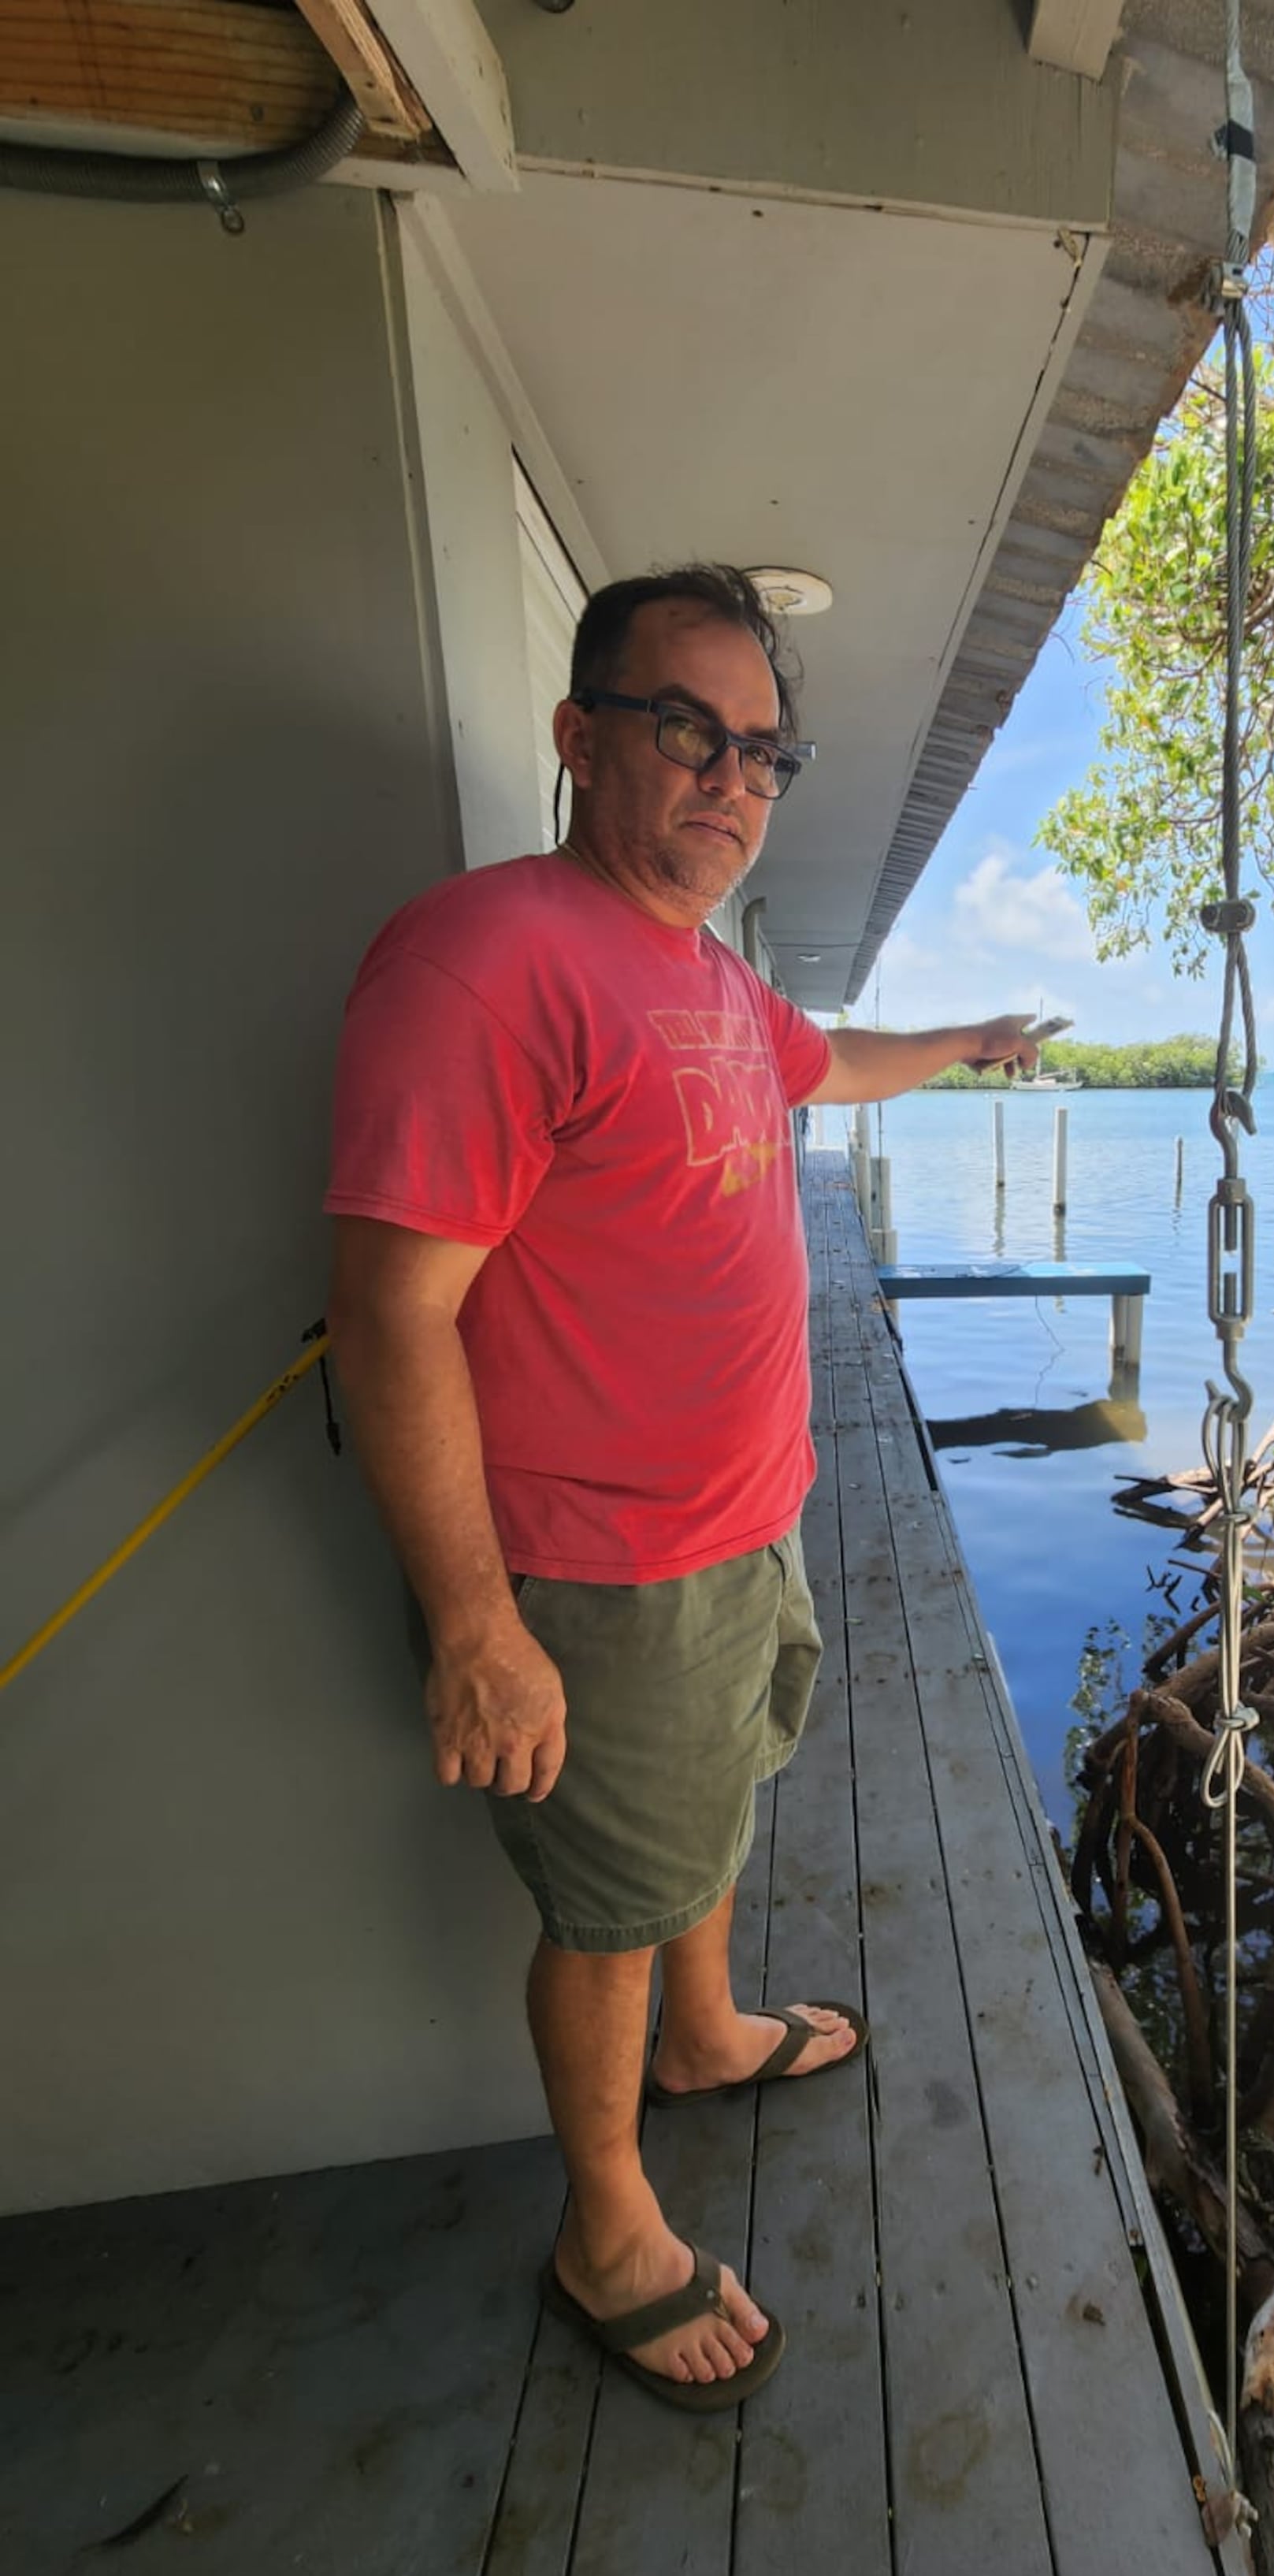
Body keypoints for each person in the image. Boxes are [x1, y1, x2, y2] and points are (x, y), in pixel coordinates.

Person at [324, 564, 1042, 2411]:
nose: (730, 778)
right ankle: (607, 2222)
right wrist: (477, 1627)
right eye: (685, 730)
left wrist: (960, 1043)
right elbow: (392, 1317)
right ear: (580, 740)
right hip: (595, 1571)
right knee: (606, 1909)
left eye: (763, 752)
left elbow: (834, 1066)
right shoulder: (483, 958)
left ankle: (709, 2040)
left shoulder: (713, 977)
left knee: (712, 1810)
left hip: (742, 1524)